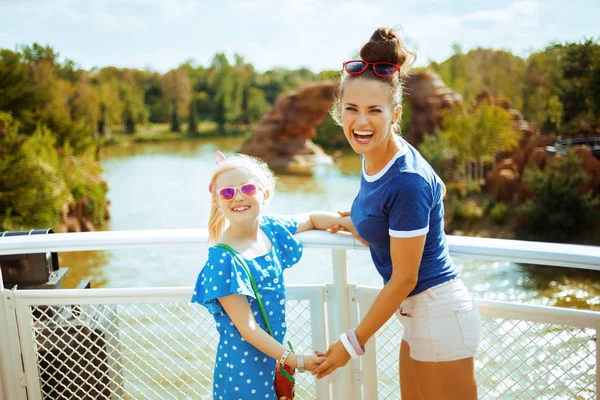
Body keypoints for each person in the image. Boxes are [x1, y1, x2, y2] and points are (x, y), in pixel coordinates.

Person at [311, 28, 481, 399]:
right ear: (339, 112)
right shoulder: (376, 155)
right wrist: (357, 222)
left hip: (437, 312)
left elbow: (404, 278)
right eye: (352, 109)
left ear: (395, 113)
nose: (362, 122)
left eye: (375, 111)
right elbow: (433, 192)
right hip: (419, 316)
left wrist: (349, 344)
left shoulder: (406, 179)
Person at [191, 151, 353, 400]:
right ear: (217, 202)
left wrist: (352, 224)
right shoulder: (223, 259)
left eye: (247, 188)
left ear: (264, 194)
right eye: (227, 192)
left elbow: (311, 218)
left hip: (274, 358)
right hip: (242, 368)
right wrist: (297, 361)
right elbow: (248, 328)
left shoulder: (270, 229)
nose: (238, 197)